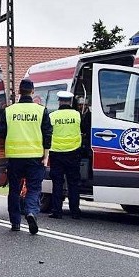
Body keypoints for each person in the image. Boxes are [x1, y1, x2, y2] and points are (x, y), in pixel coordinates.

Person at [0, 79, 52, 234]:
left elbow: (1, 132)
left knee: (14, 189)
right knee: (34, 188)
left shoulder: (9, 111)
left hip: (14, 157)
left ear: (19, 92)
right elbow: (48, 135)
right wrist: (45, 155)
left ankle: (15, 223)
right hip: (35, 156)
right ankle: (30, 211)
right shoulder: (41, 111)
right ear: (32, 92)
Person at [48, 90, 82, 219]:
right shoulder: (77, 115)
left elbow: (48, 133)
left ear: (59, 101)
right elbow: (83, 129)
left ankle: (57, 211)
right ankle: (75, 211)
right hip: (73, 152)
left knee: (57, 183)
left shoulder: (53, 116)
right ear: (70, 101)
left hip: (56, 153)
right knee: (73, 183)